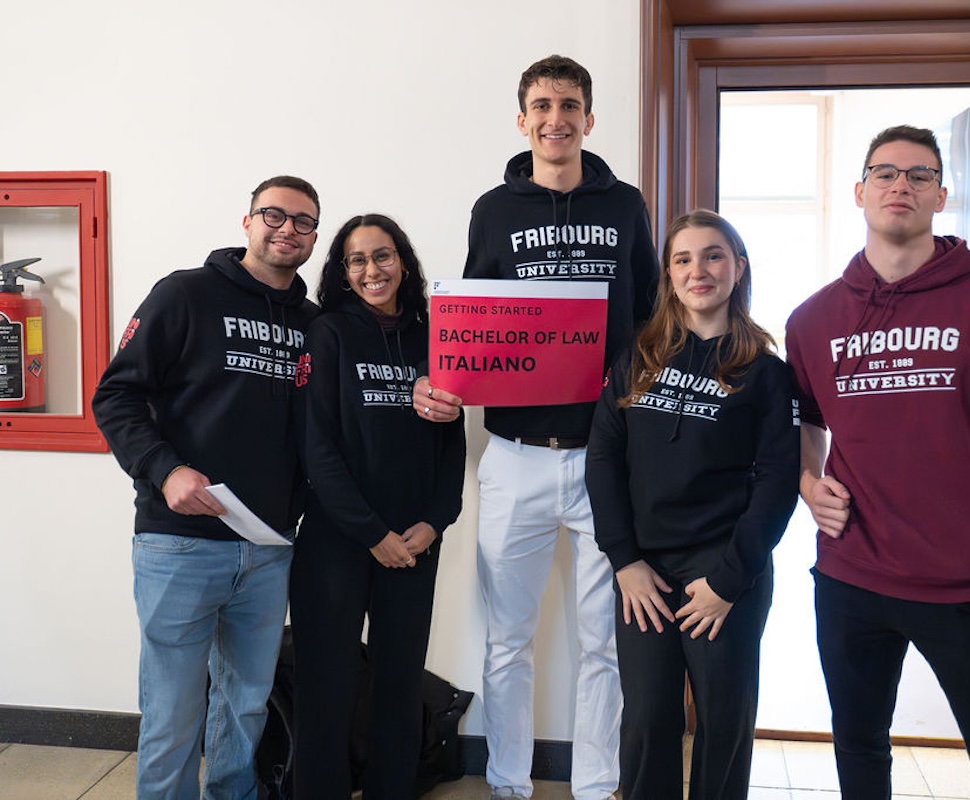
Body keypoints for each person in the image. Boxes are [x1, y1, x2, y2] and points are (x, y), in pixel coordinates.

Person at [785, 125, 970, 798]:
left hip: (963, 584)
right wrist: (807, 481)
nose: (902, 185)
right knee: (859, 753)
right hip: (850, 579)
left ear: (941, 196)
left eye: (920, 175)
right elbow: (805, 420)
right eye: (885, 173)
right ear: (860, 191)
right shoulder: (812, 319)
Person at [416, 54, 658, 800]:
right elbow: (473, 316)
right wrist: (444, 382)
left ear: (590, 118)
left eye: (570, 105)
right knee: (507, 639)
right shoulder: (493, 209)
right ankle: (508, 784)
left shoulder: (626, 205)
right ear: (523, 121)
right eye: (543, 106)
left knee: (603, 640)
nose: (557, 119)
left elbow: (651, 315)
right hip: (514, 453)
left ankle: (596, 785)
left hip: (605, 456)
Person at [92, 176, 322, 799]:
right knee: (173, 713)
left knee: (245, 707)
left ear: (313, 237)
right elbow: (115, 396)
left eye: (303, 221)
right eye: (274, 214)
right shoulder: (185, 294)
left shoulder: (313, 324)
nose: (288, 229)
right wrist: (166, 470)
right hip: (180, 544)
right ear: (247, 222)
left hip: (268, 547)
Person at [585, 210, 800, 799]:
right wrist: (624, 561)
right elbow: (602, 459)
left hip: (724, 570)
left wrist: (729, 580)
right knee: (648, 720)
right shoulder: (636, 357)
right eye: (683, 259)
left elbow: (778, 482)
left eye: (713, 256)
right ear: (669, 275)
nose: (697, 270)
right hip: (644, 572)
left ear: (738, 268)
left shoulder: (767, 373)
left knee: (723, 720)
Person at [288, 214, 466, 799]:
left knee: (399, 683)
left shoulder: (433, 337)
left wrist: (435, 522)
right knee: (327, 684)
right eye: (358, 260)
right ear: (343, 272)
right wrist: (370, 533)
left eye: (383, 255)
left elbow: (452, 444)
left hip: (414, 542)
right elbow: (317, 448)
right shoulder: (328, 334)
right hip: (337, 540)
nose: (372, 270)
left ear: (403, 263)